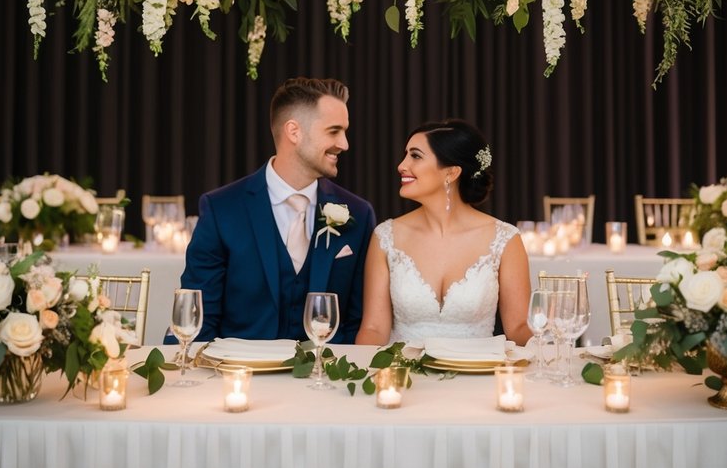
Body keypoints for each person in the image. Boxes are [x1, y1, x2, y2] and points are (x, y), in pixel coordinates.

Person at [176, 77, 375, 344]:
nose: (344, 143)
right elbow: (199, 316)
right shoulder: (222, 208)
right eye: (334, 131)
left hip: (325, 378)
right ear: (294, 131)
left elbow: (357, 320)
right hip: (242, 376)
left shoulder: (359, 214)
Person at [356, 119, 531, 345]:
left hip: (478, 376)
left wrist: (553, 350)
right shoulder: (385, 236)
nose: (401, 165)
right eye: (405, 154)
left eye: (415, 156)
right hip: (405, 376)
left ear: (451, 173)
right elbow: (373, 329)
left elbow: (518, 328)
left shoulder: (506, 239)